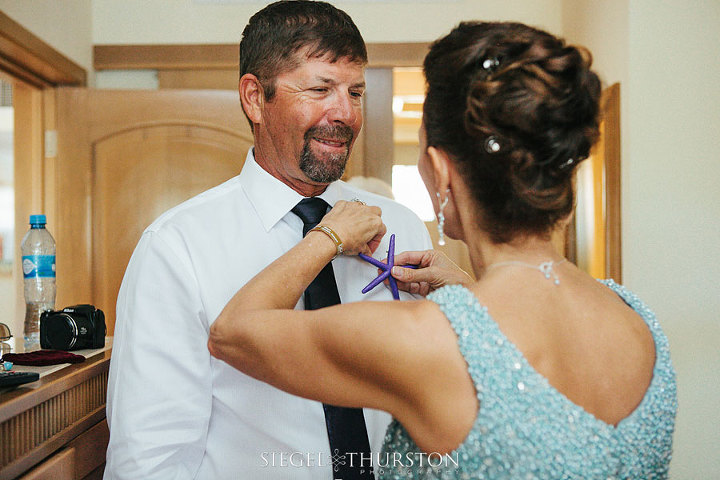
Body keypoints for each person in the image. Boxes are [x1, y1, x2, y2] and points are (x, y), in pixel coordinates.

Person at [208, 21, 678, 479]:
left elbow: (233, 332)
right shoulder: (636, 320)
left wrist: (326, 236)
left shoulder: (429, 339)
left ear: (441, 171)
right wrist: (472, 295)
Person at [103, 2, 432, 479]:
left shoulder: (400, 225)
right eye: (320, 89)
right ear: (255, 98)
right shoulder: (177, 248)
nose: (345, 113)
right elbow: (152, 458)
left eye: (355, 91)